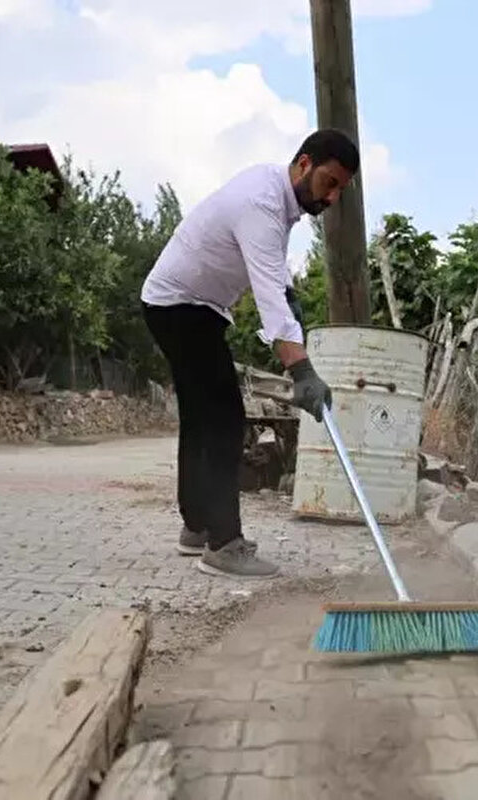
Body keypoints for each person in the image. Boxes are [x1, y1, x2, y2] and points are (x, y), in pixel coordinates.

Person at [140, 129, 359, 579]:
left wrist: (291, 294)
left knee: (202, 418)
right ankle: (224, 544)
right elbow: (269, 301)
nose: (333, 197)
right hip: (181, 305)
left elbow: (274, 273)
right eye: (329, 183)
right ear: (304, 164)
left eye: (340, 189)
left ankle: (197, 526)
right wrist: (302, 371)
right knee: (224, 420)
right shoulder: (261, 204)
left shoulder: (277, 199)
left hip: (185, 305)